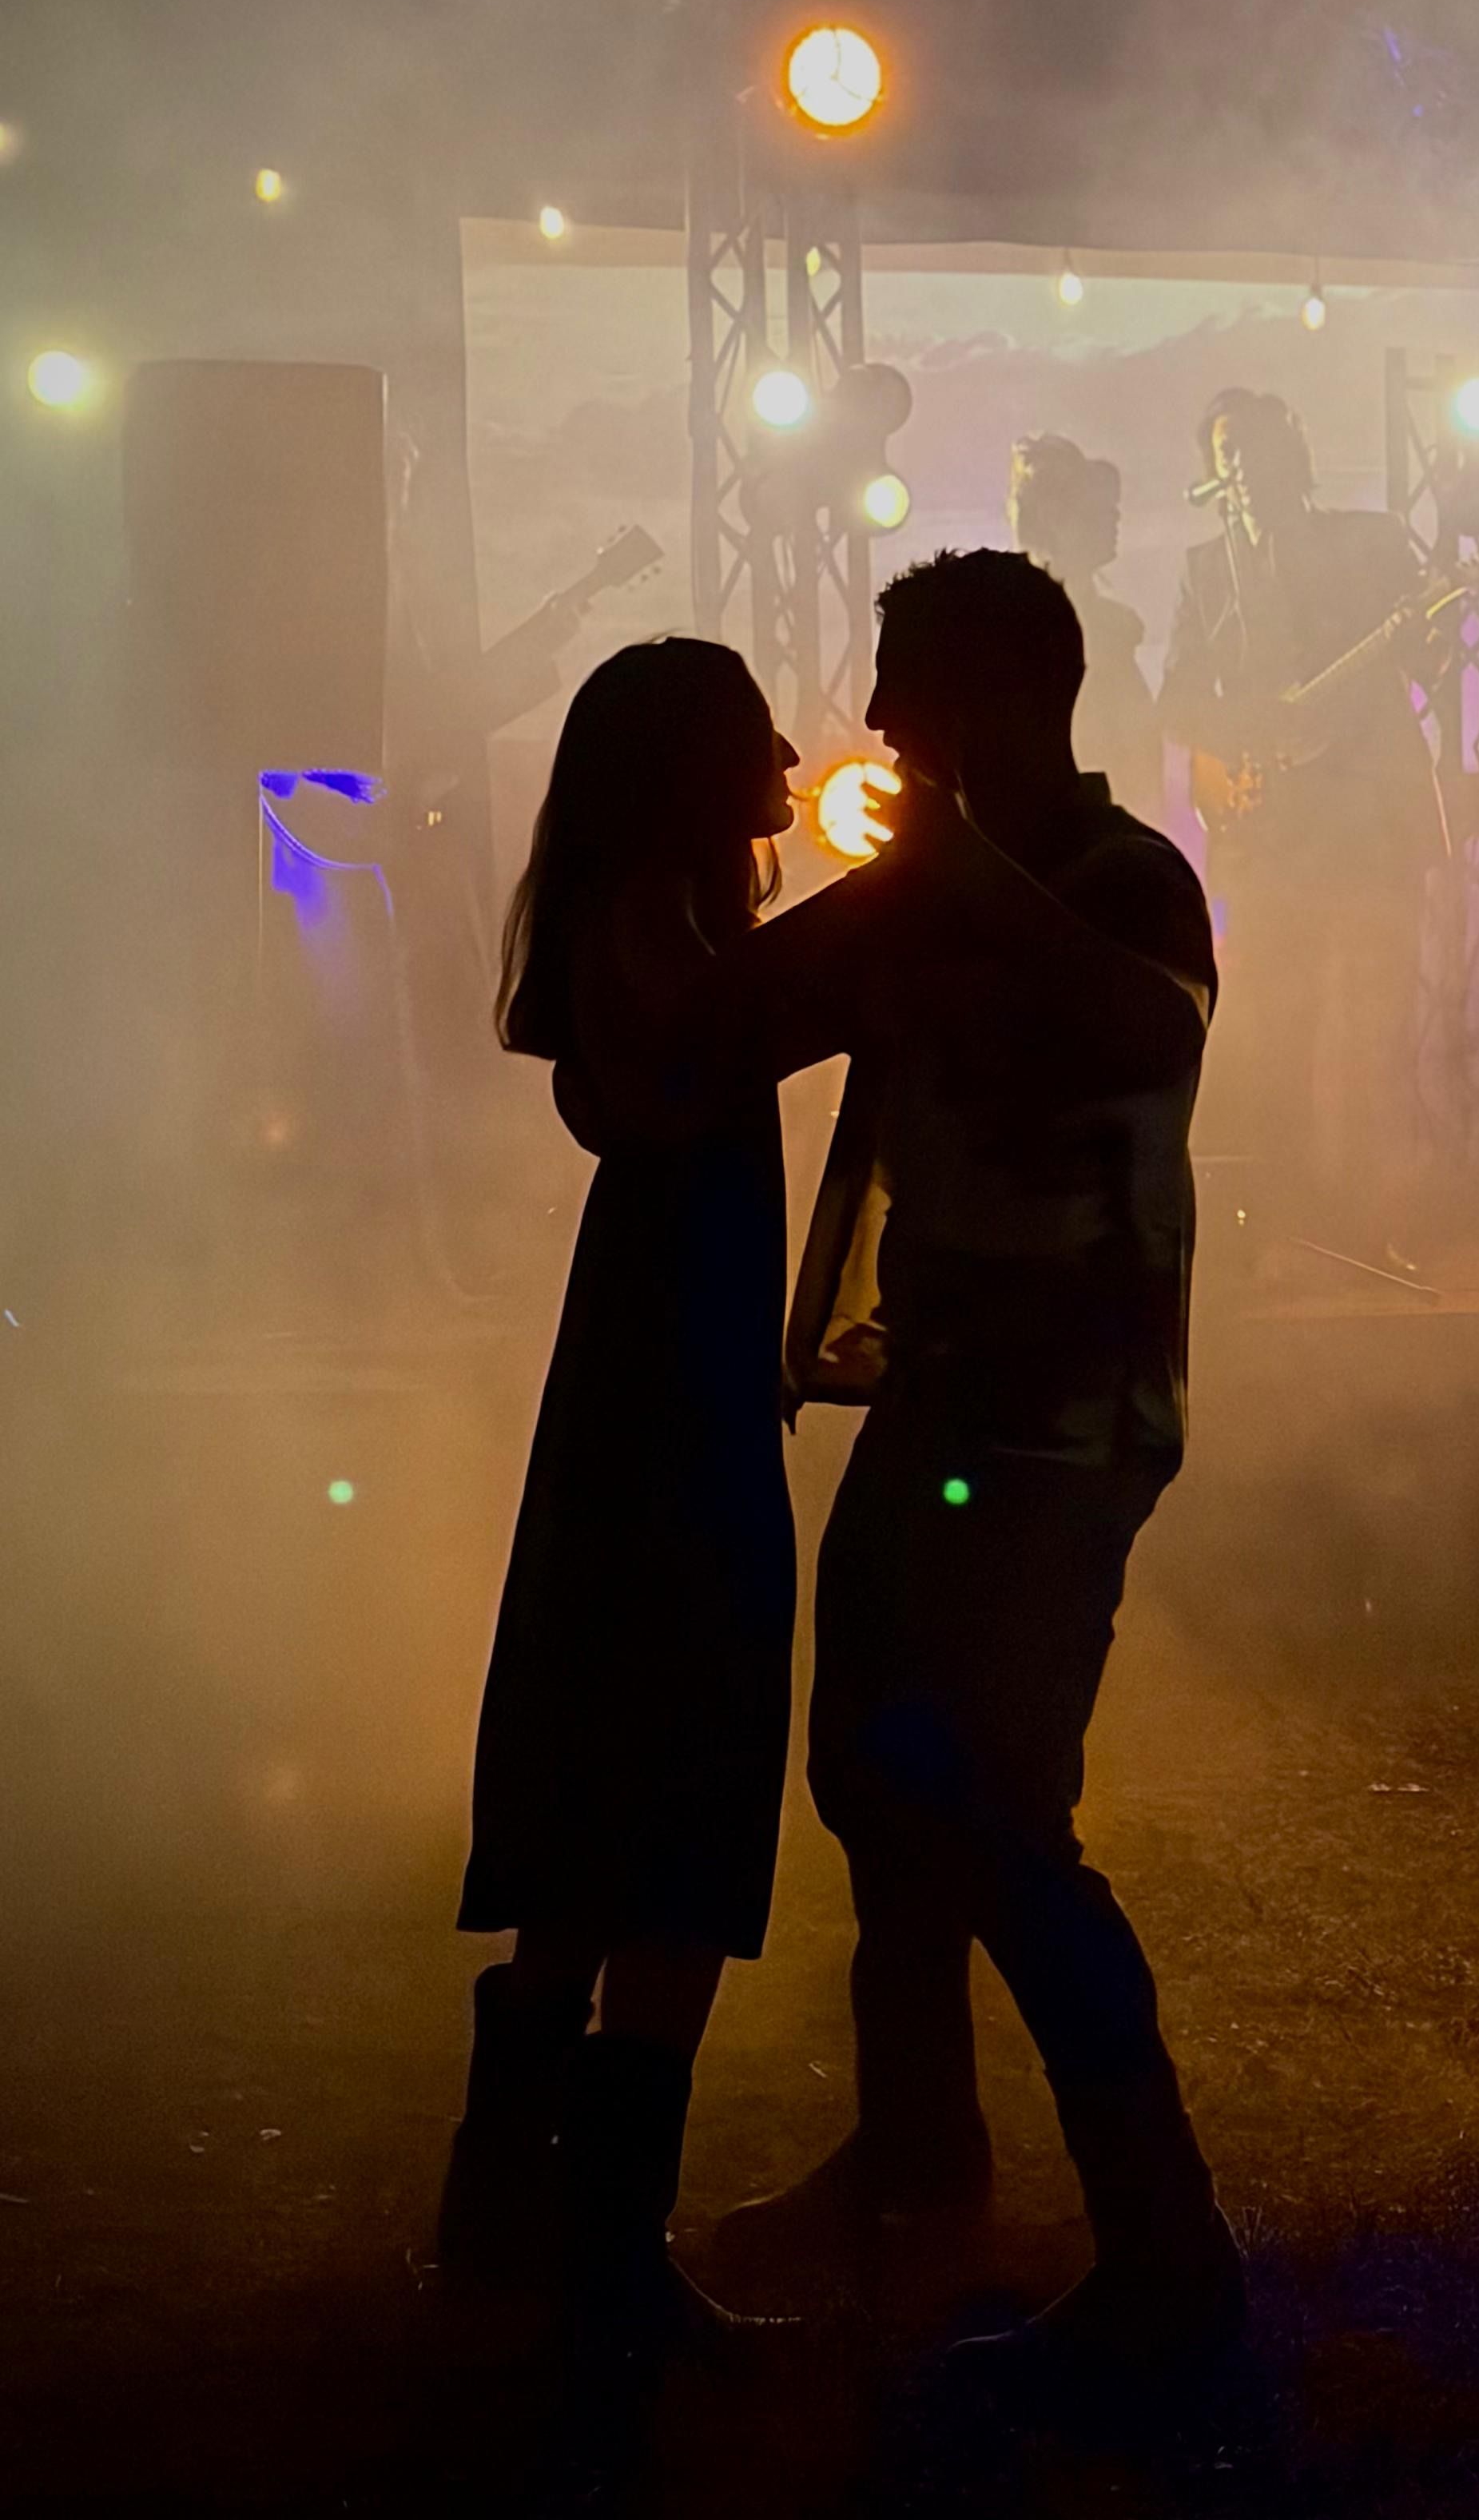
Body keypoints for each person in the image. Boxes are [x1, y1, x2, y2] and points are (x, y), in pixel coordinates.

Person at [714, 548, 1243, 2394]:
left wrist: (950, 889)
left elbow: (1145, 1037)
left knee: (1005, 1821)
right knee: (874, 1780)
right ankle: (920, 2156)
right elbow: (715, 1028)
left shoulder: (1121, 876)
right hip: (942, 1401)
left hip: (1062, 1422)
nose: (872, 721)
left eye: (903, 683)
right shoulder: (947, 889)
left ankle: (1170, 2256)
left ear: (997, 695)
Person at [440, 638, 802, 2373]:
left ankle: (509, 2213)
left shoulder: (643, 920)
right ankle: (596, 2250)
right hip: (675, 1395)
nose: (792, 758)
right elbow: (680, 1073)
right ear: (685, 773)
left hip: (649, 1381)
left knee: (601, 1794)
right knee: (677, 1780)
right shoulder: (661, 933)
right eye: (755, 739)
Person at [1157, 388, 1445, 1261]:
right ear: (1216, 473)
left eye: (1260, 450)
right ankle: (1281, 1224)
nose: (1246, 469)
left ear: (1296, 460)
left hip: (1367, 823)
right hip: (1266, 832)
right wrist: (1241, 740)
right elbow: (1178, 697)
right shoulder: (1208, 569)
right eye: (1230, 454)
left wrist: (1418, 632)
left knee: (1377, 1031)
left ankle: (1375, 1224)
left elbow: (1426, 656)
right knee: (1272, 1029)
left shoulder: (1369, 543)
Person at [1008, 431, 1163, 823]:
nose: (1114, 517)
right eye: (1096, 508)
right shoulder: (1031, 628)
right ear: (1054, 518)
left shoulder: (1106, 628)